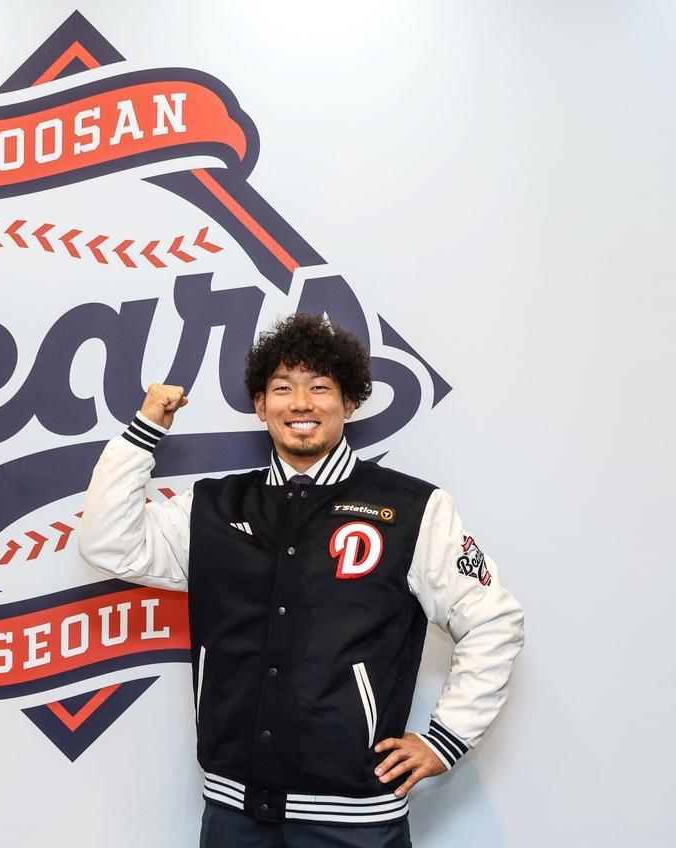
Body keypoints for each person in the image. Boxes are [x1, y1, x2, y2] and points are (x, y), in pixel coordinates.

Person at [78, 313, 525, 848]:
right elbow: (107, 541)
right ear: (261, 405)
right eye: (283, 388)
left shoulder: (412, 508)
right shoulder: (214, 506)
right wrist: (145, 429)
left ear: (350, 402)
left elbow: (493, 620)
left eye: (320, 388)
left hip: (354, 819)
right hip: (233, 811)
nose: (302, 403)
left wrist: (445, 739)